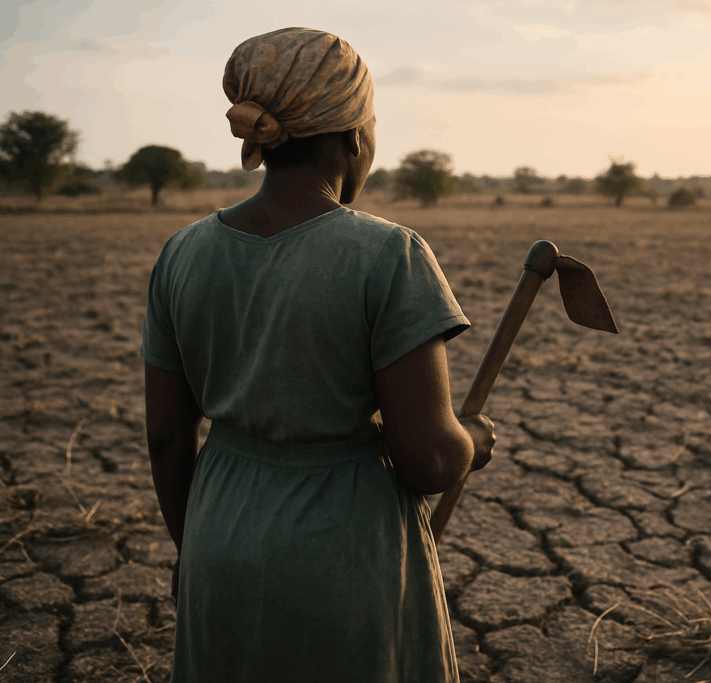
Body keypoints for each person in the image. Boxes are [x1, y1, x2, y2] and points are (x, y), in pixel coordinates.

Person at [141, 27, 495, 682]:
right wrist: (470, 439)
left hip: (217, 539)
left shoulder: (182, 253)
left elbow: (166, 436)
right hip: (346, 560)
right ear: (354, 135)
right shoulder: (390, 254)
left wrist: (195, 548)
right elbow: (429, 457)